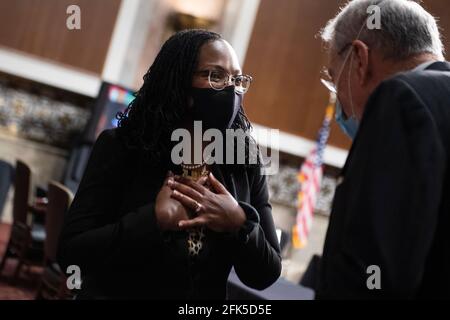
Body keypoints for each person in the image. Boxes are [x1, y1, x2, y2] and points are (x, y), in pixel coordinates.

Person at [57, 29, 281, 299]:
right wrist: (153, 221)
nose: (232, 88)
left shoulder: (245, 161)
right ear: (179, 83)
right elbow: (72, 254)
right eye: (216, 76)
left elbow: (265, 274)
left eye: (237, 79)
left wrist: (240, 224)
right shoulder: (122, 146)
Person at [318, 0, 450, 299]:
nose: (339, 97)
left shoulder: (401, 99)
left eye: (334, 77)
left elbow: (373, 266)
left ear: (360, 59)